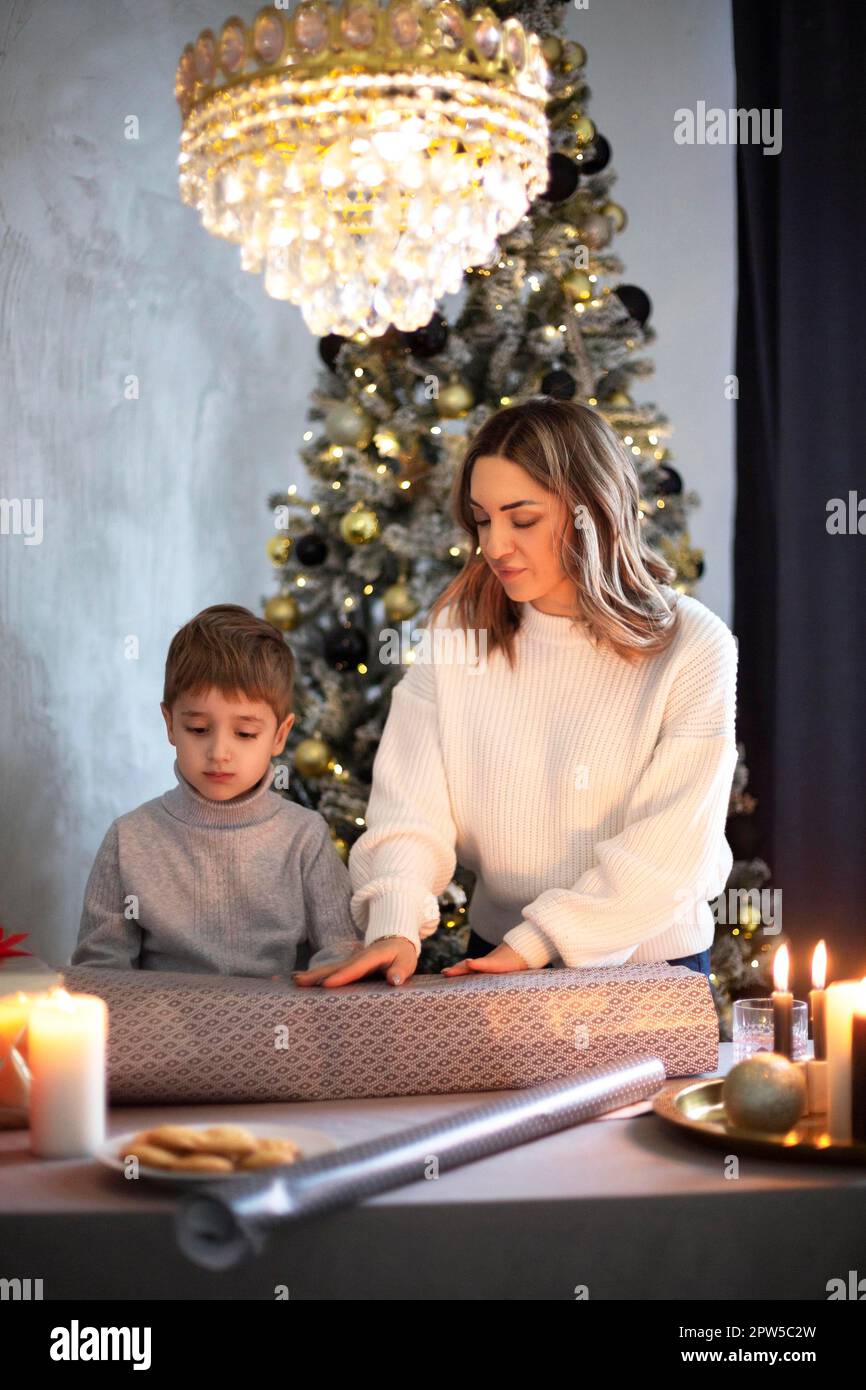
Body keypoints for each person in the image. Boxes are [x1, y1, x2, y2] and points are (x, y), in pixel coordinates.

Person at [292, 397, 738, 991]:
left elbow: (668, 851)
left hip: (649, 972)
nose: (494, 545)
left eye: (521, 519)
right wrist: (395, 925)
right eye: (482, 519)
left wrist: (540, 942)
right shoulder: (456, 632)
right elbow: (409, 809)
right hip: (498, 959)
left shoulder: (694, 644)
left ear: (591, 513)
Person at [71, 604, 363, 975]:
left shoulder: (305, 838)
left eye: (244, 734)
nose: (219, 753)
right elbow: (101, 975)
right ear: (170, 724)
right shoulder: (129, 840)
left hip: (276, 1028)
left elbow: (342, 957)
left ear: (280, 735)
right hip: (162, 1032)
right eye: (198, 729)